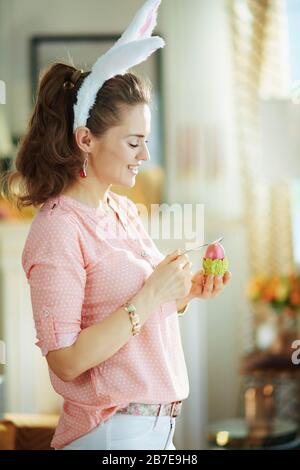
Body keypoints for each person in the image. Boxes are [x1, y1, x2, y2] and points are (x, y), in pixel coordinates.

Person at [1, 0, 231, 450]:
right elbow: (65, 361)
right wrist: (151, 295)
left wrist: (182, 293)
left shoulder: (121, 210)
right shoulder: (57, 229)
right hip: (107, 436)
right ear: (85, 139)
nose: (144, 156)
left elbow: (135, 306)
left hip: (156, 432)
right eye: (133, 142)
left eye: (146, 141)